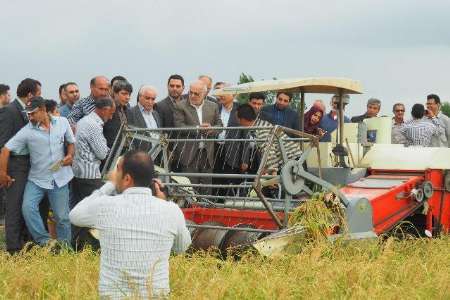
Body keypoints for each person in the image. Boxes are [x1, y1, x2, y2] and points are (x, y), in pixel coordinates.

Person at [70, 150, 191, 299]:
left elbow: (75, 215)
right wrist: (164, 201)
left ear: (127, 179)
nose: (114, 174)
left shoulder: (106, 206)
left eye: (117, 170)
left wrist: (110, 184)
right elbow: (181, 248)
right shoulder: (171, 210)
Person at [1, 96, 74, 246]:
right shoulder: (27, 131)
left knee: (62, 217)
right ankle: (45, 242)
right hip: (37, 180)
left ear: (43, 110)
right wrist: (2, 173)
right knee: (27, 208)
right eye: (28, 113)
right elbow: (6, 149)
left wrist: (70, 155)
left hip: (59, 179)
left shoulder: (62, 122)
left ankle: (65, 250)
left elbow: (71, 142)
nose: (30, 116)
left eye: (32, 113)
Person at [0, 78, 41, 254]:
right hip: (14, 166)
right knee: (14, 208)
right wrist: (3, 172)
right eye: (38, 93)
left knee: (26, 206)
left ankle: (24, 244)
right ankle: (13, 249)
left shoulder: (25, 111)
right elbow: (3, 143)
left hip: (27, 165)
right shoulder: (9, 111)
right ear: (30, 94)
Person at [71, 98, 115, 248]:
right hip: (90, 174)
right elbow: (102, 153)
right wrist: (111, 150)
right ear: (104, 109)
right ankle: (94, 247)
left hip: (79, 173)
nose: (111, 117)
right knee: (96, 212)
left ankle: (78, 246)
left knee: (80, 211)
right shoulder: (93, 125)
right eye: (111, 113)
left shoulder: (84, 121)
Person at [174, 80, 223, 194]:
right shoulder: (180, 106)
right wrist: (198, 128)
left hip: (207, 153)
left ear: (204, 94)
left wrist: (212, 129)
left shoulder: (213, 106)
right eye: (191, 92)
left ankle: (207, 210)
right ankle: (191, 210)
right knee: (190, 189)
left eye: (197, 93)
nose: (192, 96)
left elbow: (220, 125)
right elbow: (179, 127)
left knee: (206, 188)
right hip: (189, 154)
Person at [128, 85, 161, 152]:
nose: (150, 101)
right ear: (140, 97)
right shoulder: (131, 112)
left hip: (156, 156)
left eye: (153, 99)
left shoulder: (156, 114)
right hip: (139, 156)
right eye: (147, 98)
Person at [103, 80, 132, 148]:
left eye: (129, 94)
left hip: (126, 150)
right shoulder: (107, 109)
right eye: (124, 94)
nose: (127, 97)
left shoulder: (128, 111)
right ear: (115, 93)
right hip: (111, 151)